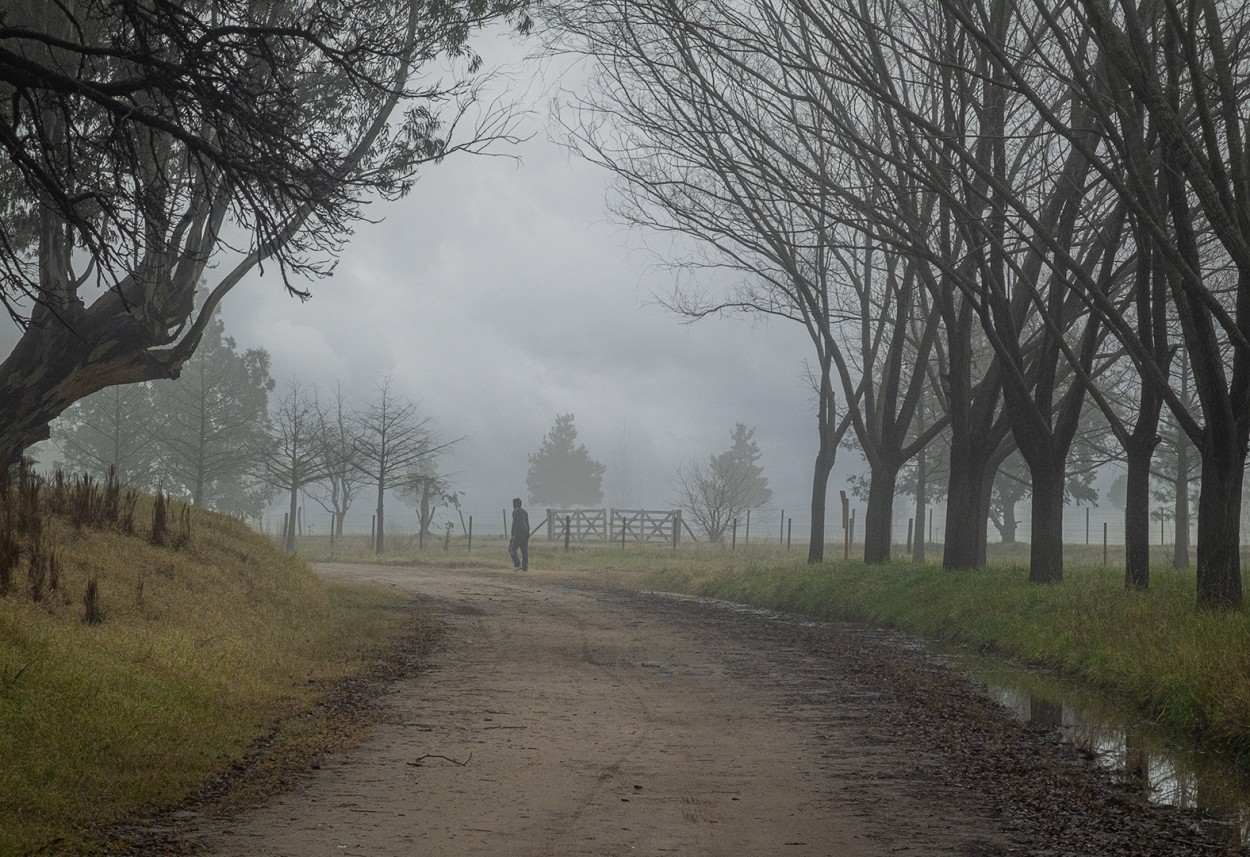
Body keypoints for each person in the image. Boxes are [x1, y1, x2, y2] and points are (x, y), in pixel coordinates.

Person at [508, 497, 530, 571]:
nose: (512, 505)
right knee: (524, 550)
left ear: (516, 504)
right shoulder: (525, 512)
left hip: (518, 533)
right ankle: (525, 566)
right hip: (526, 533)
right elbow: (527, 523)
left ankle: (517, 564)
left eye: (513, 504)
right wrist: (528, 532)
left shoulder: (516, 511)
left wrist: (513, 535)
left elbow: (515, 523)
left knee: (511, 548)